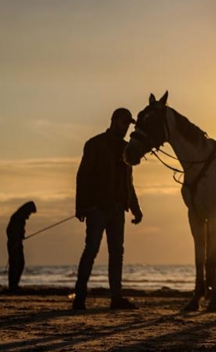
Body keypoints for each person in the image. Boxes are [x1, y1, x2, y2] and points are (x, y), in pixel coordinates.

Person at [72, 107, 143, 310]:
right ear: (113, 121)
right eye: (123, 123)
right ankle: (80, 298)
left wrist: (136, 208)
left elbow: (129, 182)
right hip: (97, 209)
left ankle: (116, 298)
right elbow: (82, 176)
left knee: (116, 253)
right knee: (91, 250)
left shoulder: (127, 148)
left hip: (118, 209)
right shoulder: (95, 144)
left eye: (128, 124)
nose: (125, 128)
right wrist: (80, 206)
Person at [6, 201, 37, 292]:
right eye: (30, 213)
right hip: (14, 244)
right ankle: (13, 285)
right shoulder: (17, 217)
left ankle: (14, 284)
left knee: (18, 263)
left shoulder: (19, 218)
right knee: (16, 264)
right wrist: (16, 239)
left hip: (16, 243)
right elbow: (9, 230)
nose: (29, 215)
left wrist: (20, 236)